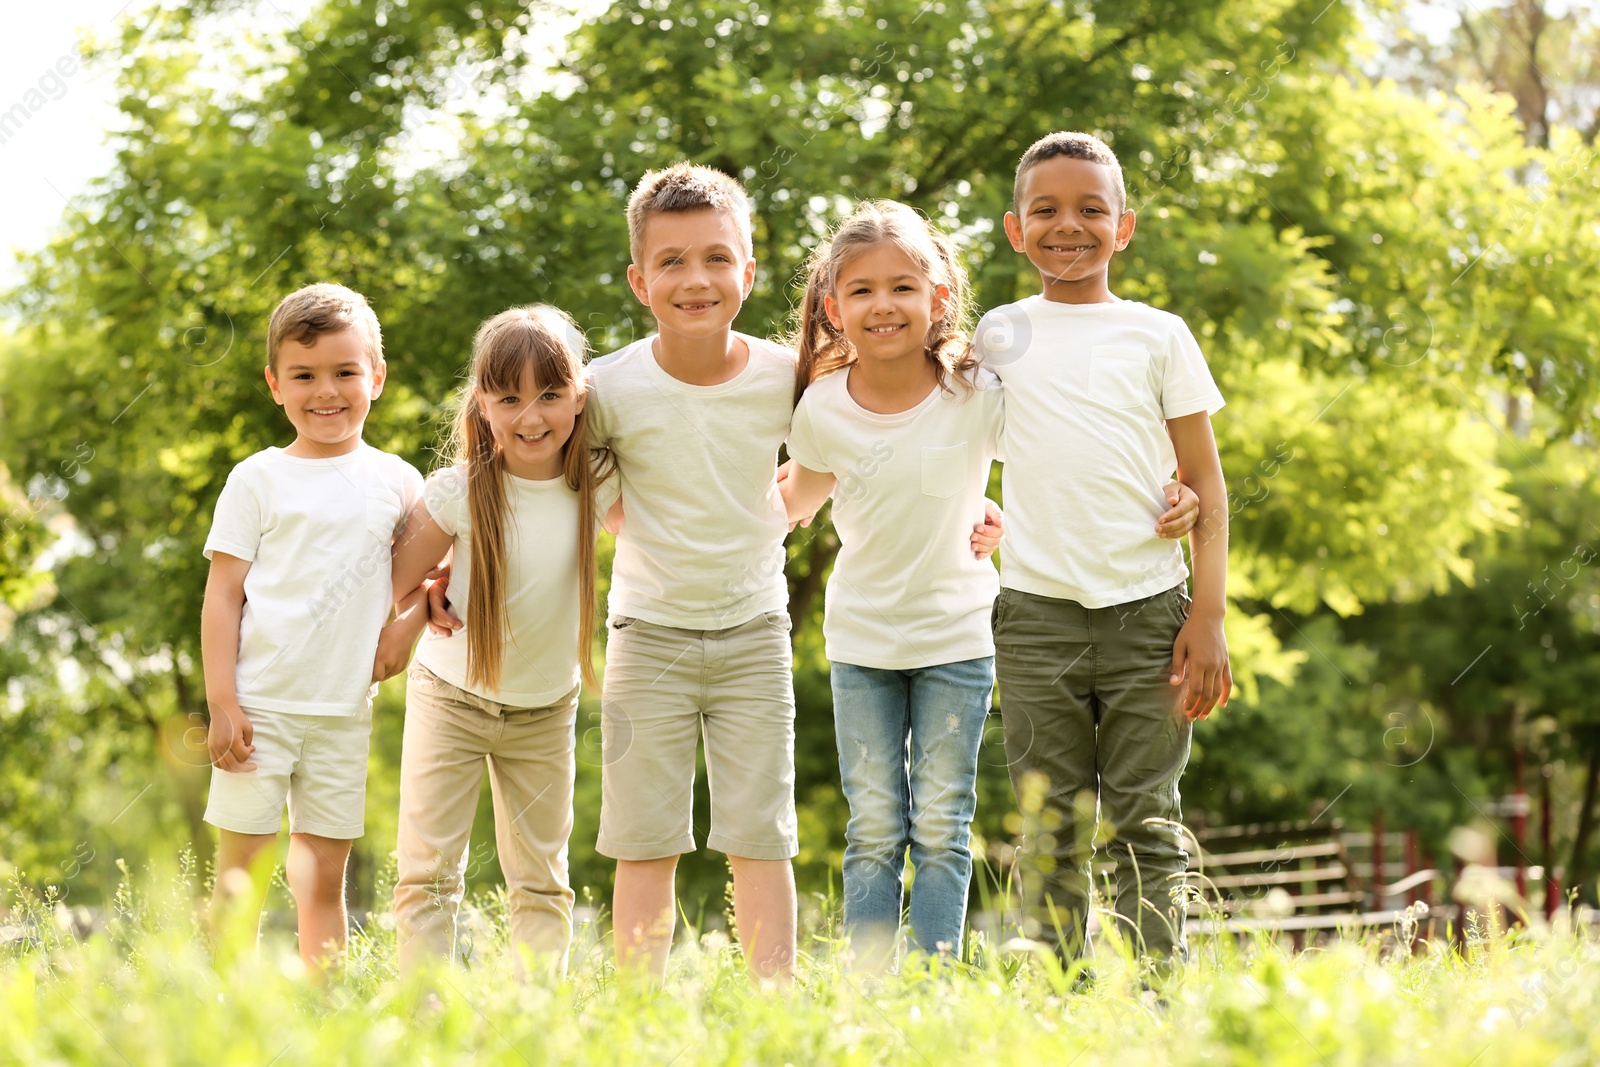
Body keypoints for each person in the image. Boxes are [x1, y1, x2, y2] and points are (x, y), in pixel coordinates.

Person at [783, 200, 1198, 970]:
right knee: (874, 824)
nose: (884, 305)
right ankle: (872, 984)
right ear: (834, 308)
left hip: (960, 636)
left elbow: (1052, 456)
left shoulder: (976, 391)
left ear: (939, 298)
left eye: (904, 287)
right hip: (861, 641)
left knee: (943, 821)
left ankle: (935, 977)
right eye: (863, 290)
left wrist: (1171, 492)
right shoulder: (821, 408)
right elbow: (793, 503)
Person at [973, 131, 1232, 967]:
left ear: (1125, 226)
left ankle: (1155, 993)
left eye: (1091, 208)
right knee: (1048, 825)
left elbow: (1207, 488)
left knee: (1145, 819)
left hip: (1152, 612)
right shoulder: (999, 334)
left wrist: (1210, 615)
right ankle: (1055, 995)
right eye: (1045, 209)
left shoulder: (1159, 335)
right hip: (1036, 616)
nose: (1068, 225)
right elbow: (955, 447)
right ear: (1016, 229)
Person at [384, 305, 616, 980]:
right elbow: (393, 585)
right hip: (450, 697)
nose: (531, 416)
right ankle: (425, 1015)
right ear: (483, 405)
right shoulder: (459, 492)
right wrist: (426, 596)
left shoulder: (598, 484)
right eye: (508, 397)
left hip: (546, 710)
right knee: (428, 873)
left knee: (543, 879)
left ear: (579, 397)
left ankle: (534, 1019)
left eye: (550, 394)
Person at [201, 282, 422, 976]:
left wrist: (406, 631)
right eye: (304, 375)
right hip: (259, 708)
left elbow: (432, 585)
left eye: (345, 372)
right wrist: (221, 700)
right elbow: (223, 595)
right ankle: (218, 1008)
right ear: (275, 384)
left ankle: (325, 1008)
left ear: (376, 378)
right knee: (242, 873)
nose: (325, 391)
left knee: (323, 877)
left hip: (342, 712)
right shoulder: (257, 478)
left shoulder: (399, 481)